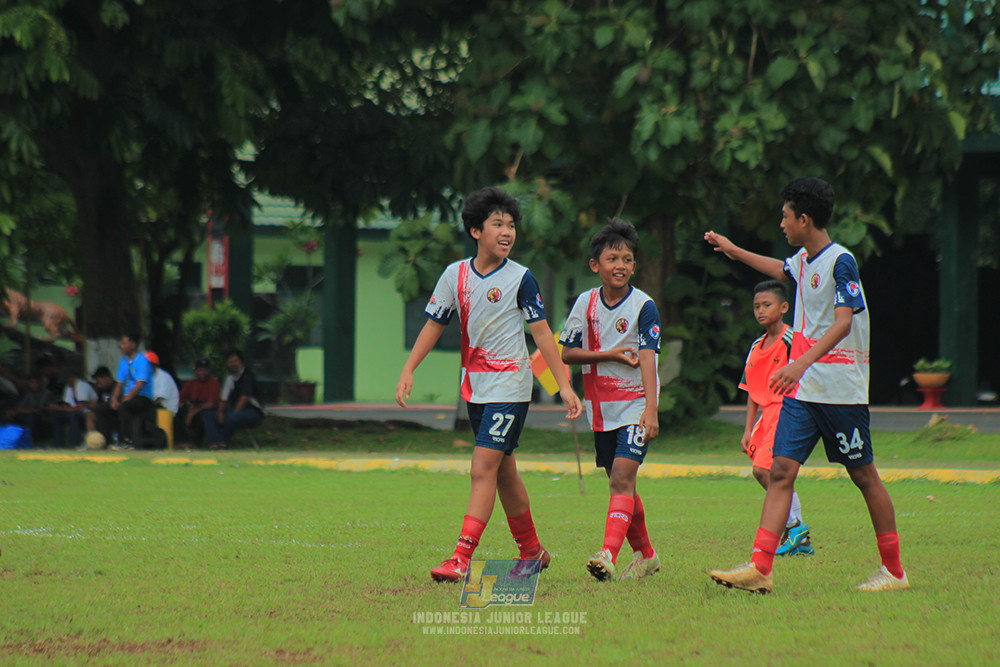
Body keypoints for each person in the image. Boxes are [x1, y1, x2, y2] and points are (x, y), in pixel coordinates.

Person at [704, 177, 908, 593]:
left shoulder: (840, 262)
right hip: (805, 390)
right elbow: (778, 268)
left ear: (805, 218)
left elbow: (844, 321)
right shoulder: (803, 261)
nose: (781, 223)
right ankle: (761, 567)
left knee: (864, 475)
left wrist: (799, 362)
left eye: (785, 216)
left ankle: (894, 572)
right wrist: (733, 251)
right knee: (780, 471)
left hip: (840, 391)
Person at [395, 186, 583, 583]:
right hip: (475, 389)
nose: (507, 232)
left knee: (482, 467)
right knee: (503, 472)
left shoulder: (521, 278)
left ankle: (461, 558)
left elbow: (544, 335)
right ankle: (532, 552)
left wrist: (563, 386)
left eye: (511, 225)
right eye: (497, 224)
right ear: (475, 230)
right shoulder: (455, 275)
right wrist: (409, 368)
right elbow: (434, 324)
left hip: (511, 389)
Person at [559, 218, 662, 581]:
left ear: (635, 266)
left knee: (621, 477)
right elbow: (567, 353)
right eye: (613, 258)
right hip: (601, 410)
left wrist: (651, 408)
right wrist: (610, 355)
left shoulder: (644, 307)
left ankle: (608, 554)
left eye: (628, 259)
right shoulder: (584, 304)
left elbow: (649, 358)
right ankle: (647, 555)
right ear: (595, 265)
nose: (621, 265)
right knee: (622, 483)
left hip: (635, 405)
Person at [738, 280, 812, 556]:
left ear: (783, 308)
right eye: (756, 306)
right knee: (766, 473)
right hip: (765, 416)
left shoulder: (792, 340)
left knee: (764, 470)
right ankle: (800, 538)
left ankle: (794, 527)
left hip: (787, 410)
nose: (760, 311)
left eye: (766, 305)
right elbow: (751, 390)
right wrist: (748, 429)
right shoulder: (756, 346)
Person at [203, 349, 264, 449]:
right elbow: (223, 398)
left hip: (253, 412)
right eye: (230, 362)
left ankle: (223, 442)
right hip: (234, 411)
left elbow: (244, 398)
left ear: (241, 362)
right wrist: (220, 412)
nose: (233, 364)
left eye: (235, 361)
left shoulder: (248, 376)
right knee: (208, 416)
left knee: (232, 417)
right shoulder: (229, 377)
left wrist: (233, 414)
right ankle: (215, 443)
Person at [111, 333, 155, 449]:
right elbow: (119, 383)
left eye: (124, 343)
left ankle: (127, 441)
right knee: (104, 409)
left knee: (124, 406)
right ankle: (106, 440)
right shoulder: (124, 361)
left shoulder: (142, 361)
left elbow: (140, 384)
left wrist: (127, 398)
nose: (121, 346)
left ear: (133, 345)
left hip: (143, 398)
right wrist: (114, 399)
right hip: (128, 397)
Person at [48, 368, 98, 449]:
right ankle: (58, 445)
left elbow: (80, 407)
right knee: (58, 416)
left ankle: (73, 444)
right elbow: (68, 405)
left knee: (73, 416)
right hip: (75, 412)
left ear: (73, 377)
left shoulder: (82, 385)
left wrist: (59, 409)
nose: (66, 381)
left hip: (87, 413)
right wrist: (57, 408)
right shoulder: (69, 387)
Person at [176, 357, 221, 448]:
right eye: (200, 370)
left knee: (203, 416)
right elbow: (180, 398)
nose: (202, 372)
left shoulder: (214, 383)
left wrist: (193, 412)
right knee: (179, 413)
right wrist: (188, 407)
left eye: (205, 370)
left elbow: (211, 403)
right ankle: (182, 441)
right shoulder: (191, 383)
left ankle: (199, 442)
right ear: (196, 371)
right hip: (193, 407)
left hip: (207, 409)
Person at [89, 366, 118, 444]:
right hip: (103, 415)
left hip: (115, 415)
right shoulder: (100, 390)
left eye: (100, 382)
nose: (98, 385)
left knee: (101, 412)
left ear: (107, 378)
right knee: (90, 415)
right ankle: (92, 441)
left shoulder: (116, 388)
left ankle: (106, 442)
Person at [145, 351, 180, 416]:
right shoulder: (147, 376)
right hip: (155, 408)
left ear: (154, 365)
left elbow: (159, 399)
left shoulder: (163, 377)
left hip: (167, 411)